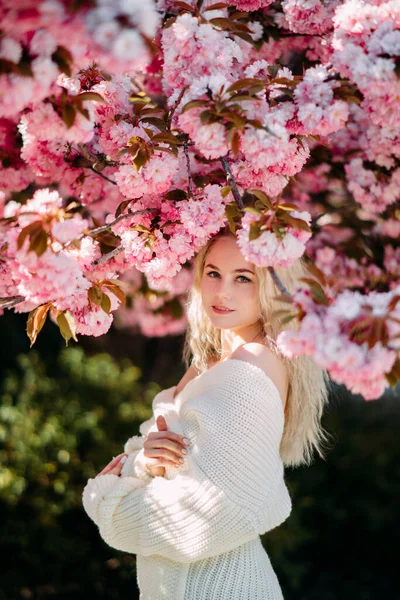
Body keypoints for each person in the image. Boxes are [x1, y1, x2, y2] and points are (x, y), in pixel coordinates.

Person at [82, 227, 331, 599]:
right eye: (213, 273)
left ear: (273, 286)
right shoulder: (213, 362)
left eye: (243, 277)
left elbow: (199, 519)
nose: (222, 291)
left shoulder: (253, 362)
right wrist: (146, 464)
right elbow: (145, 451)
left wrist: (104, 502)